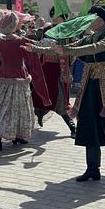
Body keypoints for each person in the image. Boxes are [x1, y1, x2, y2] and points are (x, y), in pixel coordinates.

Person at [27, 4, 105, 181]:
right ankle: (92, 169)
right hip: (90, 86)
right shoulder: (90, 37)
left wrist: (66, 50)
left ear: (100, 19)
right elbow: (66, 48)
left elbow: (94, 48)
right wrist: (35, 49)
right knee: (90, 125)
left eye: (91, 18)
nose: (87, 22)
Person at [0, 11, 50, 150]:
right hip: (18, 76)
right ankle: (17, 136)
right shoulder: (20, 41)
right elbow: (33, 59)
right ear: (13, 26)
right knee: (18, 108)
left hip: (2, 77)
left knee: (0, 107)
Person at [32, 8, 76, 138]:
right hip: (46, 69)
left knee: (61, 99)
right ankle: (40, 114)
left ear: (63, 17)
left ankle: (72, 127)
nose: (55, 18)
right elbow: (40, 47)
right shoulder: (46, 30)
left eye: (58, 16)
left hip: (61, 69)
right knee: (41, 96)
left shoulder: (68, 32)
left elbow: (72, 51)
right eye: (53, 16)